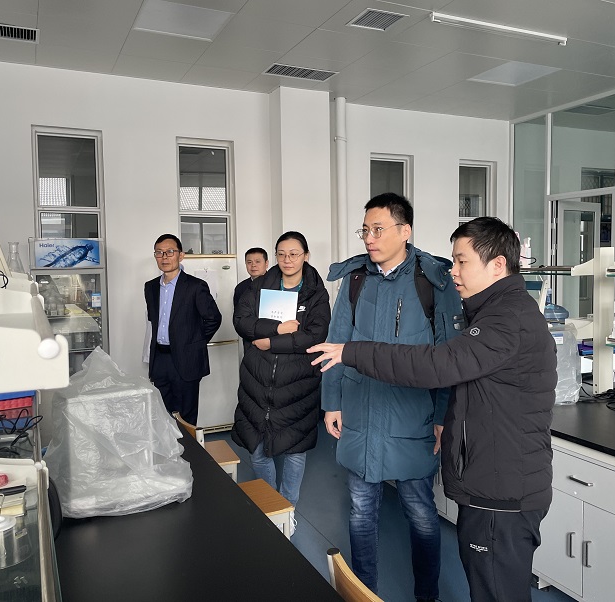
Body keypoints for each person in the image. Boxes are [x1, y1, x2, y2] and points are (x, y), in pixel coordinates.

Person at [310, 217, 558, 602]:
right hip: (495, 484)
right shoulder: (497, 310)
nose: (453, 270)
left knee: (496, 590)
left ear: (497, 265)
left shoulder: (505, 319)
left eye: (462, 261)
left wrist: (352, 352)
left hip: (501, 493)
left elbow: (436, 364)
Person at [320, 193, 464, 602]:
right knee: (361, 510)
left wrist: (442, 416)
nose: (369, 238)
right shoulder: (356, 279)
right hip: (361, 410)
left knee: (420, 512)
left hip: (411, 416)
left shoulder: (432, 280)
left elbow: (449, 356)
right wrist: (332, 401)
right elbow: (336, 341)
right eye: (365, 229)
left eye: (378, 229)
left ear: (405, 231)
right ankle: (364, 592)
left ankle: (427, 596)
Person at [231, 231, 330, 511]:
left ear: (306, 256)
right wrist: (278, 328)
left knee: (295, 450)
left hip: (298, 383)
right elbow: (241, 321)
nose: (287, 260)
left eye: (294, 254)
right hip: (257, 380)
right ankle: (271, 505)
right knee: (257, 449)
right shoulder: (259, 287)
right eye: (281, 254)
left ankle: (287, 508)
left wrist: (269, 342)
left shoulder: (316, 293)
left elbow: (315, 335)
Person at [144, 234, 222, 425]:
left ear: (181, 255)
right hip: (160, 359)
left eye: (170, 252)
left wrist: (193, 343)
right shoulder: (150, 287)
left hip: (186, 360)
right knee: (162, 415)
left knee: (186, 417)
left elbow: (213, 318)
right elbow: (153, 321)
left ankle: (188, 447)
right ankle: (169, 446)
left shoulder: (196, 286)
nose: (164, 257)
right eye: (159, 252)